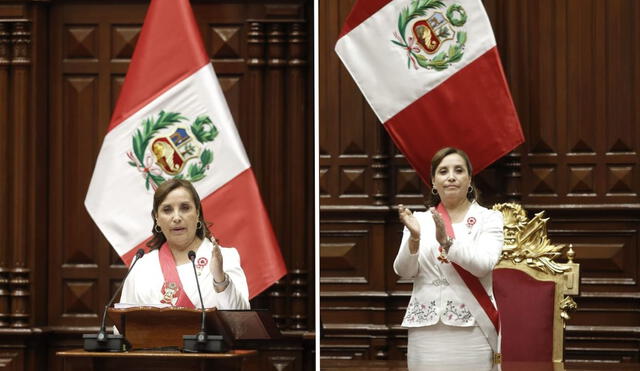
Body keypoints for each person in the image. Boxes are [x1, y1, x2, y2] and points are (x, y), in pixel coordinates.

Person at [394, 147, 503, 370]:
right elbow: (403, 271)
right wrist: (414, 238)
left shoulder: (489, 218)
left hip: (473, 327)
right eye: (443, 171)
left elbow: (483, 266)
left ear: (469, 179)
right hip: (426, 330)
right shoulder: (419, 221)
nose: (451, 176)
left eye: (458, 170)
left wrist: (447, 243)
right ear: (433, 182)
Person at [120, 179, 250, 310]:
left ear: (197, 213)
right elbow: (122, 325)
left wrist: (220, 279)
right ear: (157, 218)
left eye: (185, 208)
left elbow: (240, 320)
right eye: (167, 210)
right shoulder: (141, 264)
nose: (176, 218)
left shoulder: (226, 257)